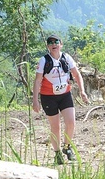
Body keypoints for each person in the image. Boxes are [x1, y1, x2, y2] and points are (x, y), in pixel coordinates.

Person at [32, 34, 89, 164]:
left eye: (56, 42)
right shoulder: (44, 61)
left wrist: (82, 91)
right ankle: (57, 153)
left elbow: (76, 74)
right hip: (48, 97)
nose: (54, 45)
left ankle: (67, 147)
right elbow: (37, 81)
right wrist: (35, 100)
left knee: (71, 122)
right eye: (50, 43)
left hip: (65, 95)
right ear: (48, 46)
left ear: (61, 44)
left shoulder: (66, 58)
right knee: (55, 126)